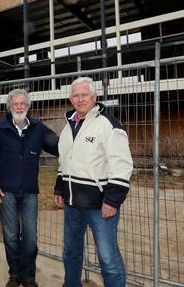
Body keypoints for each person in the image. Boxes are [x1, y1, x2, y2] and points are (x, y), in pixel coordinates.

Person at [53, 77, 133, 287]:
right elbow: (65, 161)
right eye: (75, 96)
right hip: (72, 205)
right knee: (70, 253)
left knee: (108, 259)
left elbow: (121, 164)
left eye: (84, 95)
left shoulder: (108, 124)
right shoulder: (68, 126)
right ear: (71, 99)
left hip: (100, 206)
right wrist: (59, 188)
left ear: (94, 96)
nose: (80, 99)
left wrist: (113, 200)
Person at [0, 89, 58, 287]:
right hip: (6, 191)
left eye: (23, 104)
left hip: (29, 192)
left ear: (28, 106)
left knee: (30, 237)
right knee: (10, 236)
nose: (19, 107)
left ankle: (29, 277)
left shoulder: (38, 128)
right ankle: (14, 275)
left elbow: (58, 146)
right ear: (9, 107)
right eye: (15, 104)